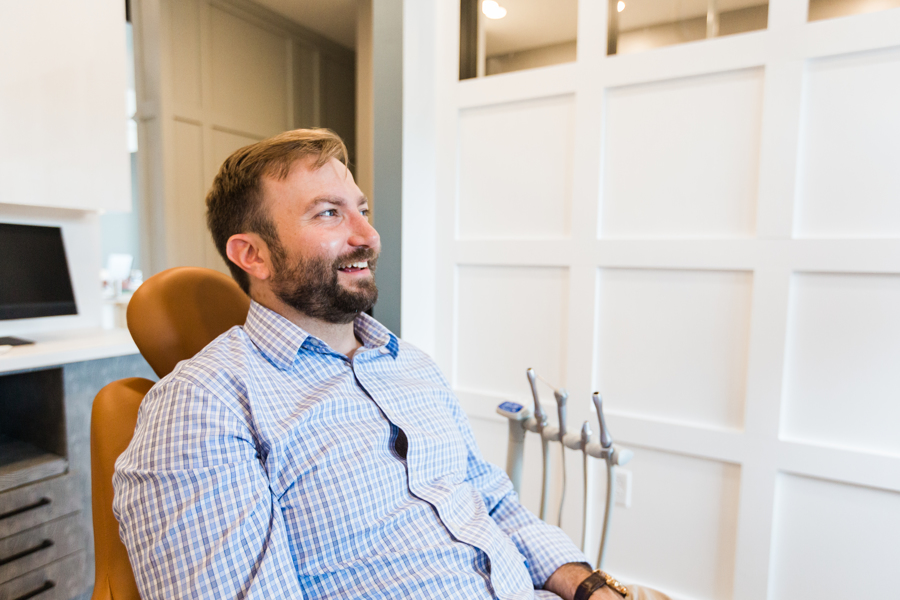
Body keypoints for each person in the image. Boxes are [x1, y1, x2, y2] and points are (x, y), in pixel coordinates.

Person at [113, 129, 666, 600]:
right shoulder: (203, 406)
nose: (368, 237)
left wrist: (590, 587)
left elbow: (490, 499)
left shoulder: (409, 365)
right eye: (329, 214)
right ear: (252, 255)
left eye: (362, 210)